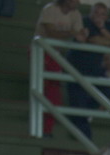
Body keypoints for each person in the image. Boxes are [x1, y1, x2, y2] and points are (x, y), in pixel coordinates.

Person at [66, 1, 110, 140]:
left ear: (106, 16)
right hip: (76, 68)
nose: (98, 16)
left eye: (102, 14)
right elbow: (94, 40)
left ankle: (80, 121)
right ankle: (82, 138)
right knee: (79, 103)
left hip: (95, 70)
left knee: (108, 90)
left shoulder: (109, 26)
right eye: (96, 13)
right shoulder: (84, 21)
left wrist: (103, 31)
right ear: (90, 12)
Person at [34, 0, 86, 137]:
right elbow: (50, 32)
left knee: (53, 92)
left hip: (57, 54)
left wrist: (83, 34)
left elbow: (79, 35)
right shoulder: (50, 9)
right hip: (41, 51)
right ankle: (43, 128)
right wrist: (73, 33)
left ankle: (46, 129)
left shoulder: (76, 15)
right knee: (48, 91)